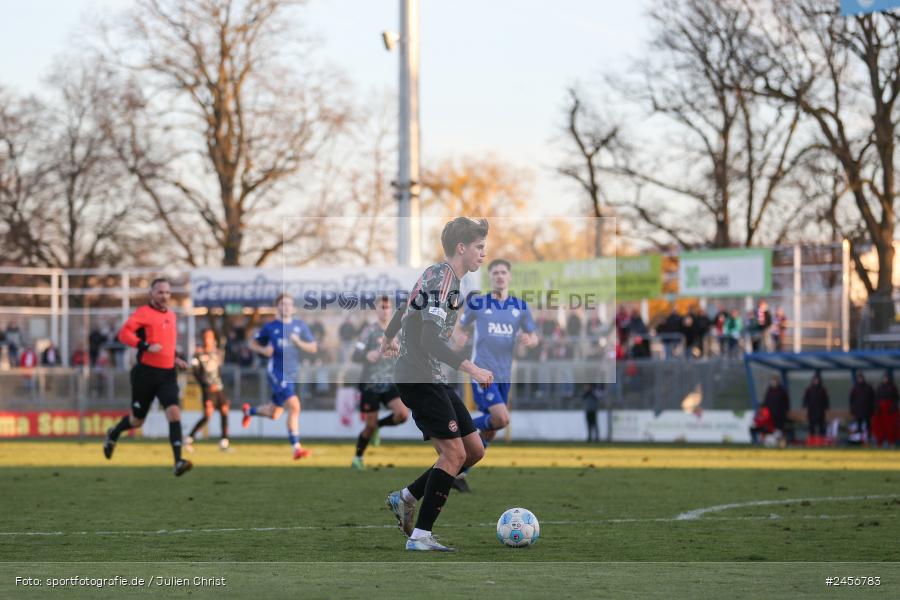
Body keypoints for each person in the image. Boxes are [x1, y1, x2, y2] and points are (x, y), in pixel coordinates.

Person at [382, 217, 494, 552]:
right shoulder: (443, 278)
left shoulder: (437, 276)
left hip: (431, 376)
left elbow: (405, 307)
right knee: (453, 453)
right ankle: (420, 537)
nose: (483, 254)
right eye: (479, 247)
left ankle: (406, 496)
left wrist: (388, 337)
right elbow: (430, 339)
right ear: (462, 248)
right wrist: (471, 367)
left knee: (473, 450)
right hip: (420, 376)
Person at [451, 258, 538, 492]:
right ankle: (453, 427)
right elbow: (461, 325)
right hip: (483, 371)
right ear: (491, 277)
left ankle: (459, 474)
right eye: (495, 273)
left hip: (503, 375)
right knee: (502, 419)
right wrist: (459, 337)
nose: (500, 276)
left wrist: (530, 339)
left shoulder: (519, 307)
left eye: (503, 273)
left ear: (509, 277)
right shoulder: (479, 303)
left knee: (491, 429)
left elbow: (534, 334)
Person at [103, 278, 192, 477]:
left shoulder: (171, 315)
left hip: (167, 374)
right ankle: (114, 433)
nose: (164, 296)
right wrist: (144, 346)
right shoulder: (143, 313)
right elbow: (123, 334)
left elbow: (167, 343)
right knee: (136, 422)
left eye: (168, 292)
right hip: (145, 374)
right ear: (151, 293)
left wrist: (176, 358)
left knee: (174, 413)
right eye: (160, 292)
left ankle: (178, 461)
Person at [243, 294, 317, 459]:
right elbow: (252, 343)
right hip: (277, 371)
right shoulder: (270, 327)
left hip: (292, 373)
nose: (287, 307)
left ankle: (249, 411)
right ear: (277, 307)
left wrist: (299, 343)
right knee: (294, 406)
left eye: (289, 304)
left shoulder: (300, 326)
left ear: (293, 307)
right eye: (283, 304)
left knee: (274, 413)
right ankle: (296, 448)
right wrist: (263, 350)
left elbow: (313, 348)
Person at [349, 295, 409, 470]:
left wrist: (400, 350)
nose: (384, 310)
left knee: (403, 415)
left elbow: (409, 352)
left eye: (387, 307)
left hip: (391, 383)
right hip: (371, 384)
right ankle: (357, 457)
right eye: (381, 307)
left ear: (391, 309)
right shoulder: (369, 331)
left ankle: (378, 427)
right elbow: (356, 354)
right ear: (376, 310)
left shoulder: (399, 330)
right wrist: (366, 355)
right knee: (369, 425)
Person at [185, 329, 232, 452]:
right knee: (207, 415)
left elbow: (218, 371)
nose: (208, 339)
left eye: (210, 336)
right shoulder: (198, 354)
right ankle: (189, 439)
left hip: (219, 388)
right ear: (203, 338)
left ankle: (224, 442)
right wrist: (205, 385)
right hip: (207, 389)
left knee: (225, 410)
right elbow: (195, 373)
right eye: (206, 336)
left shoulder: (216, 353)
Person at [873, 372, 900, 448]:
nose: (885, 379)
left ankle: (892, 443)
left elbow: (896, 399)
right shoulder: (880, 387)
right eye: (884, 378)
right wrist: (877, 408)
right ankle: (880, 444)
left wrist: (892, 407)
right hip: (881, 411)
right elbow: (876, 399)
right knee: (880, 428)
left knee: (891, 428)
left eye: (887, 378)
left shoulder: (893, 387)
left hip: (890, 412)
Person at [849, 372, 875, 445]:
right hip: (858, 411)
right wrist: (853, 410)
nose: (860, 380)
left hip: (867, 411)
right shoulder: (855, 388)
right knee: (859, 426)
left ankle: (868, 440)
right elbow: (851, 400)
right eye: (859, 378)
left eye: (861, 378)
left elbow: (872, 399)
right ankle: (859, 440)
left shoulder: (868, 387)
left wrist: (872, 409)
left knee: (868, 426)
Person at [802, 373, 829, 442]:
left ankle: (821, 441)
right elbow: (805, 400)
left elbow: (826, 401)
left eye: (817, 380)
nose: (816, 381)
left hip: (820, 412)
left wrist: (826, 409)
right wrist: (805, 408)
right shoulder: (809, 389)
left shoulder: (822, 390)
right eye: (815, 380)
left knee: (821, 427)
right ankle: (812, 441)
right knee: (811, 428)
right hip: (811, 412)